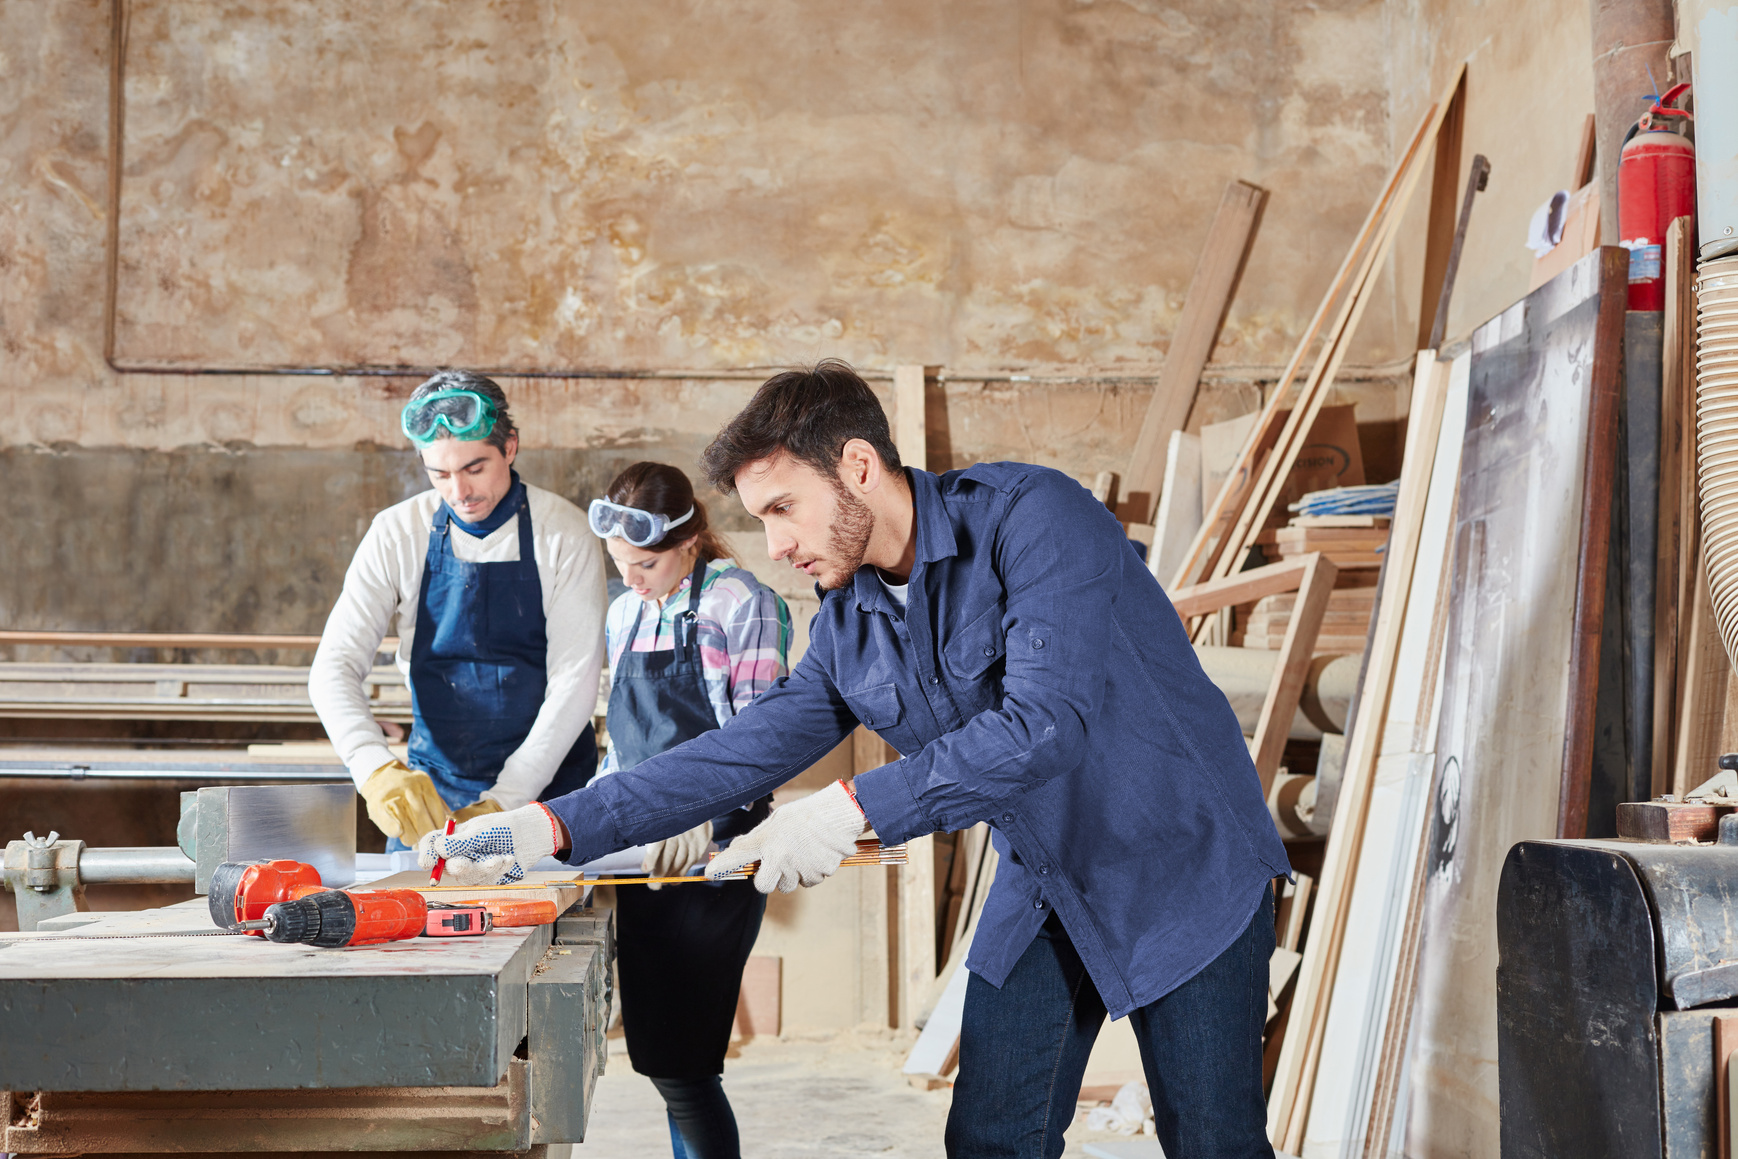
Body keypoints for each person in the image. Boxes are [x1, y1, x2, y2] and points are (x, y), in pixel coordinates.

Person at [420, 361, 1289, 1159]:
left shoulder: (1036, 520)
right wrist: (543, 826)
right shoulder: (851, 624)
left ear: (859, 467)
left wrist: (847, 809)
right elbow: (735, 755)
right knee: (990, 1136)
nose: (774, 545)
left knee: (1212, 1142)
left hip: (1183, 861)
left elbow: (1042, 726)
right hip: (1047, 878)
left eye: (783, 508)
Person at [310, 370, 607, 848]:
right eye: (440, 474)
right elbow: (333, 667)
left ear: (510, 447)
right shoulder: (396, 533)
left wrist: (504, 803)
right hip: (435, 796)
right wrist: (376, 769)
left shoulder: (564, 534)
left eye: (475, 468)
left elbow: (574, 683)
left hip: (546, 798)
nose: (460, 492)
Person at [588, 461, 792, 1159]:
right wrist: (584, 824)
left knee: (686, 1064)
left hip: (716, 857)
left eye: (644, 563)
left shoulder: (741, 602)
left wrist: (704, 813)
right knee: (661, 1063)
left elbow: (763, 739)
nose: (632, 579)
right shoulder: (623, 612)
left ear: (690, 540)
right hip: (642, 857)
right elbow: (619, 746)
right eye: (619, 565)